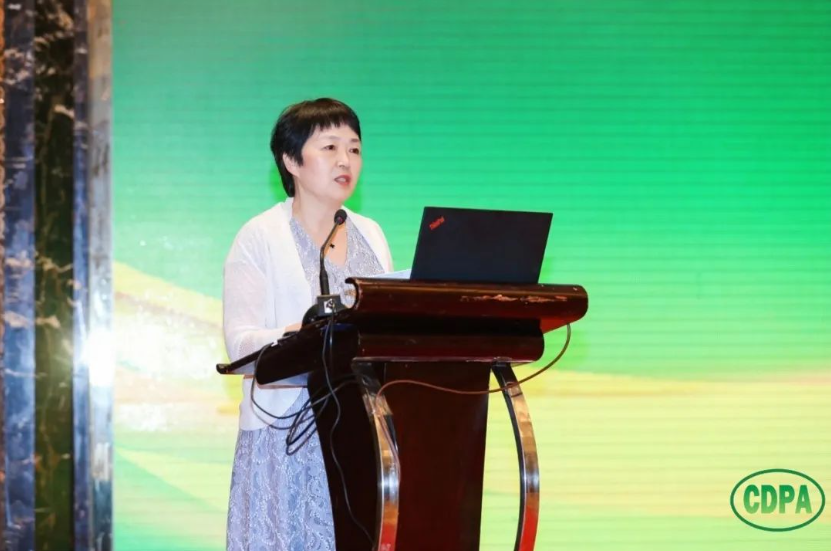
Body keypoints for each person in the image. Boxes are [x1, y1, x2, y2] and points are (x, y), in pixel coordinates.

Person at [223, 98, 393, 550]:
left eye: (354, 149)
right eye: (330, 147)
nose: (345, 160)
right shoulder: (260, 236)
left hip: (364, 432)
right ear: (292, 161)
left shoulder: (371, 233)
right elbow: (240, 345)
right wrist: (303, 336)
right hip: (288, 436)